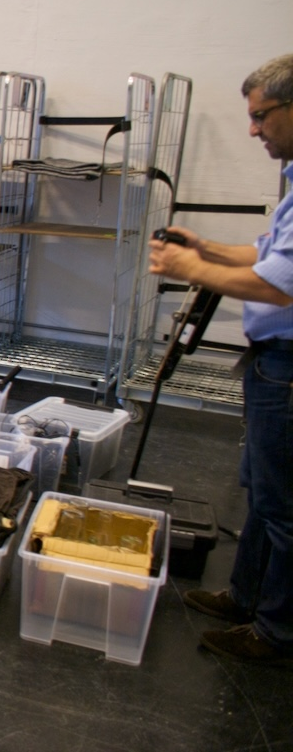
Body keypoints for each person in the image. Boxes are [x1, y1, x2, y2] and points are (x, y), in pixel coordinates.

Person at [149, 52, 293, 667]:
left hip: (287, 367)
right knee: (263, 492)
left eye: (262, 116)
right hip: (273, 364)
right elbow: (268, 253)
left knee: (285, 505)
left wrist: (191, 267)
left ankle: (277, 633)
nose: (253, 129)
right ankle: (246, 597)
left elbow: (281, 285)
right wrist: (207, 248)